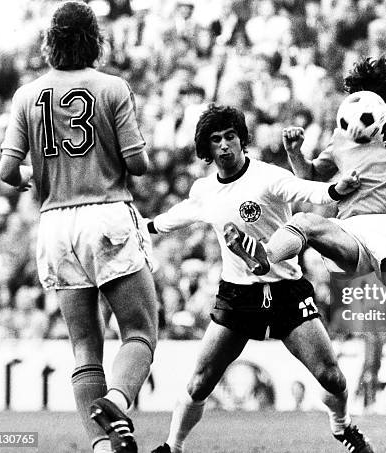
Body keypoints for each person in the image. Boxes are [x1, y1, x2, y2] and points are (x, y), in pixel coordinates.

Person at [226, 1, 386, 452]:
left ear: (385, 105)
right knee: (307, 220)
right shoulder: (340, 136)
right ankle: (263, 255)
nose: (357, 116)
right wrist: (296, 154)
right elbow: (311, 182)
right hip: (354, 232)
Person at [148, 104, 374, 453]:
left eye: (230, 137)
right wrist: (144, 227)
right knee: (200, 382)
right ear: (206, 148)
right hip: (239, 296)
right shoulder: (205, 191)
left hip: (286, 291)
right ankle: (172, 446)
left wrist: (336, 190)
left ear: (242, 140)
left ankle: (342, 427)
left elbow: (306, 192)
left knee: (332, 377)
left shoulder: (268, 177)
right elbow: (177, 217)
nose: (224, 145)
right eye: (215, 140)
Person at [0, 3, 158, 453]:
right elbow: (138, 164)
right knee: (140, 331)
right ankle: (116, 400)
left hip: (54, 225)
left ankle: (102, 448)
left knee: (85, 348)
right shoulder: (111, 87)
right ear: (95, 40)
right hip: (104, 213)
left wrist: (38, 175)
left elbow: (8, 171)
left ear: (50, 41)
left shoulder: (27, 95)